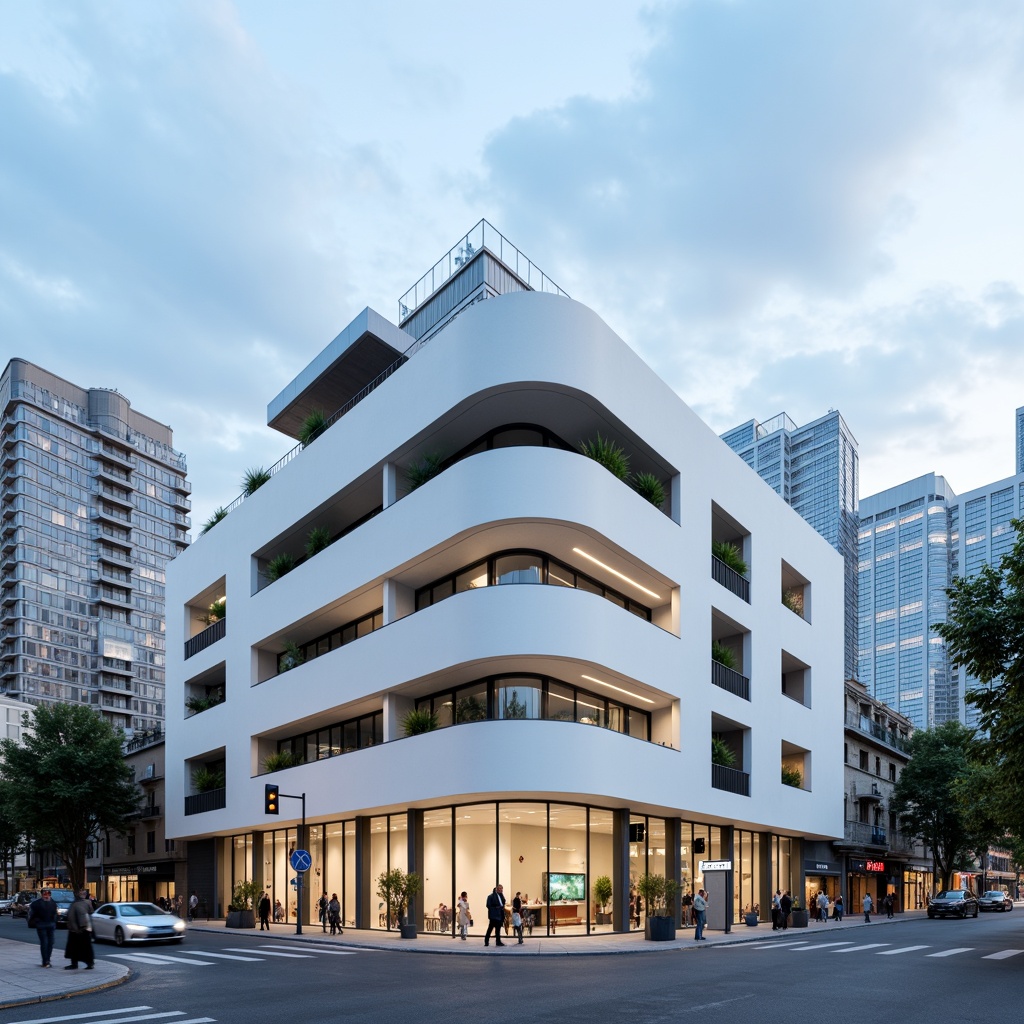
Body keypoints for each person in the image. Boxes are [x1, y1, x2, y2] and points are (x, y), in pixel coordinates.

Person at [64, 890, 95, 970]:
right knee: (86, 947)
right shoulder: (87, 903)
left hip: (76, 930)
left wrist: (75, 929)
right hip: (86, 928)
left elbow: (71, 917)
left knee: (74, 947)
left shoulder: (74, 904)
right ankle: (89, 963)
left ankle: (75, 964)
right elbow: (91, 912)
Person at [27, 889, 58, 967]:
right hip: (41, 925)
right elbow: (31, 915)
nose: (47, 896)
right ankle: (45, 961)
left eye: (48, 894)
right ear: (42, 895)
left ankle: (47, 959)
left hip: (50, 924)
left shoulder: (53, 903)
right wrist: (36, 922)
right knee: (44, 943)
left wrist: (54, 921)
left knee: (50, 943)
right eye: (45, 894)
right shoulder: (36, 904)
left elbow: (55, 913)